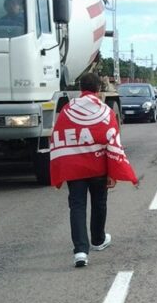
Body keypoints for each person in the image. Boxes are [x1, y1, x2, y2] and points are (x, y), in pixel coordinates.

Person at [50, 72, 138, 268]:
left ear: (81, 89)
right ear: (99, 90)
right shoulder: (105, 111)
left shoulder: (67, 110)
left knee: (77, 206)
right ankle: (98, 240)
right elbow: (113, 142)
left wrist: (60, 169)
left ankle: (80, 251)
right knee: (99, 203)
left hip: (74, 169)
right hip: (98, 167)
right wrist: (113, 172)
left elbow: (57, 138)